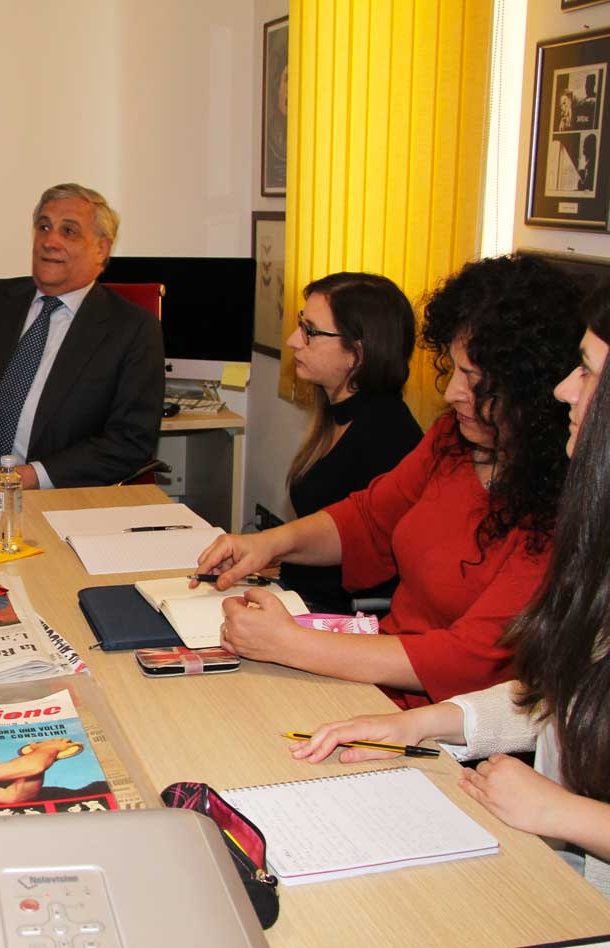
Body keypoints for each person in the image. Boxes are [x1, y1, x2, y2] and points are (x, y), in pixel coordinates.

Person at [292, 284, 610, 896]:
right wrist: (429, 725)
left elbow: (478, 655)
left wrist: (566, 814)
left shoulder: (556, 512)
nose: (566, 389)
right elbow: (554, 696)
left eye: (588, 373)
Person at [194, 255, 582, 708]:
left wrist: (290, 644)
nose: (451, 391)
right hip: (376, 681)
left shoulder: (560, 509)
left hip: (442, 718)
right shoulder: (452, 441)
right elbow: (368, 518)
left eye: (473, 379)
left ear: (530, 392)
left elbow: (472, 657)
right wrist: (267, 544)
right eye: (453, 369)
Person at [0, 183, 164, 491]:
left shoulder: (134, 329)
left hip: (50, 500)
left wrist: (34, 476)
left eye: (69, 231)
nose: (50, 240)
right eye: (43, 227)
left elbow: (130, 441)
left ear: (101, 249)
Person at [280, 272, 421, 612]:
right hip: (297, 599)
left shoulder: (389, 438)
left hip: (333, 617)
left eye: (310, 332)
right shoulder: (336, 415)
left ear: (356, 354)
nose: (293, 340)